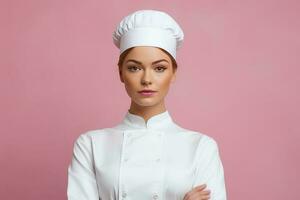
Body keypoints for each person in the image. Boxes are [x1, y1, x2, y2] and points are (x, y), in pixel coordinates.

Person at [67, 9, 227, 200]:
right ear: (120, 73)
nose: (146, 79)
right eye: (134, 68)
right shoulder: (91, 145)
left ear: (173, 73)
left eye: (159, 68)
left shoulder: (201, 147)